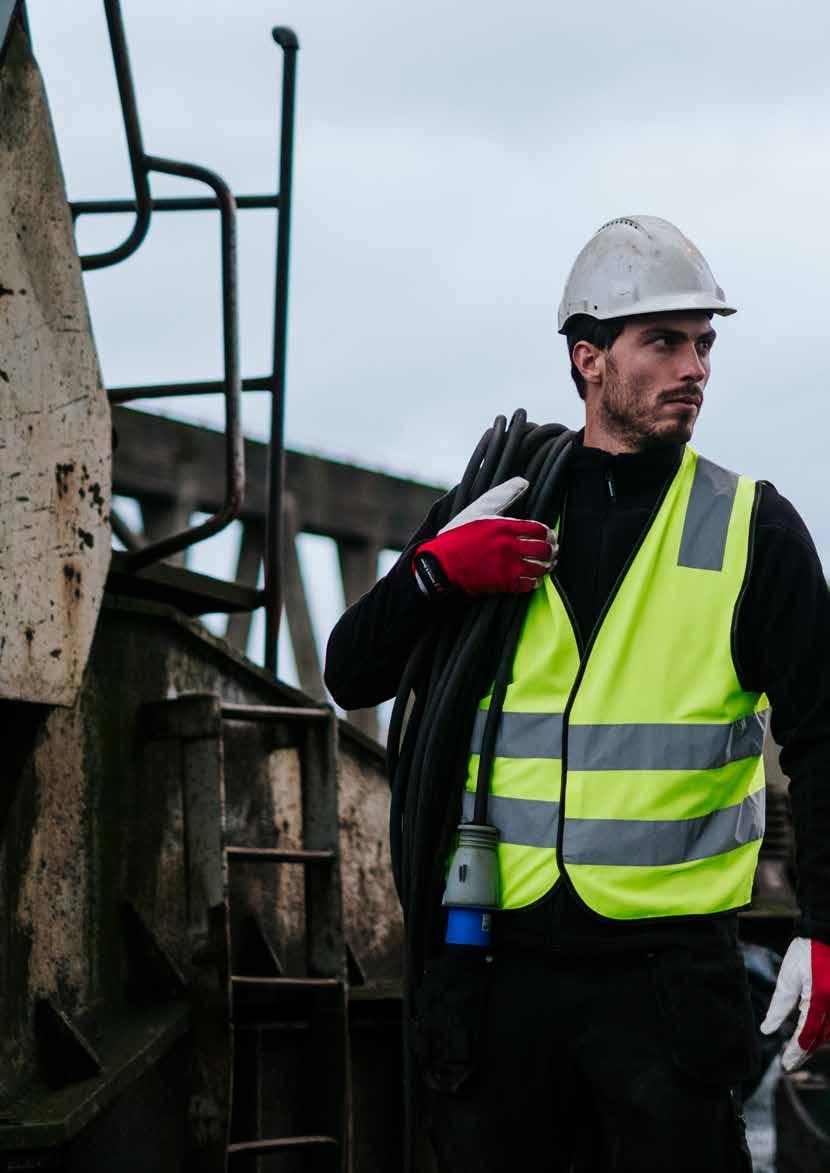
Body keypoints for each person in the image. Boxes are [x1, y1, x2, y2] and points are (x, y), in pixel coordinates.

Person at [325, 215, 830, 1171]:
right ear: (588, 359)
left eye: (705, 343)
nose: (696, 367)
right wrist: (435, 572)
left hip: (668, 985)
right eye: (665, 341)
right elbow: (352, 670)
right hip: (493, 973)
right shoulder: (496, 506)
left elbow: (824, 734)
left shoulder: (750, 528)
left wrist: (825, 927)